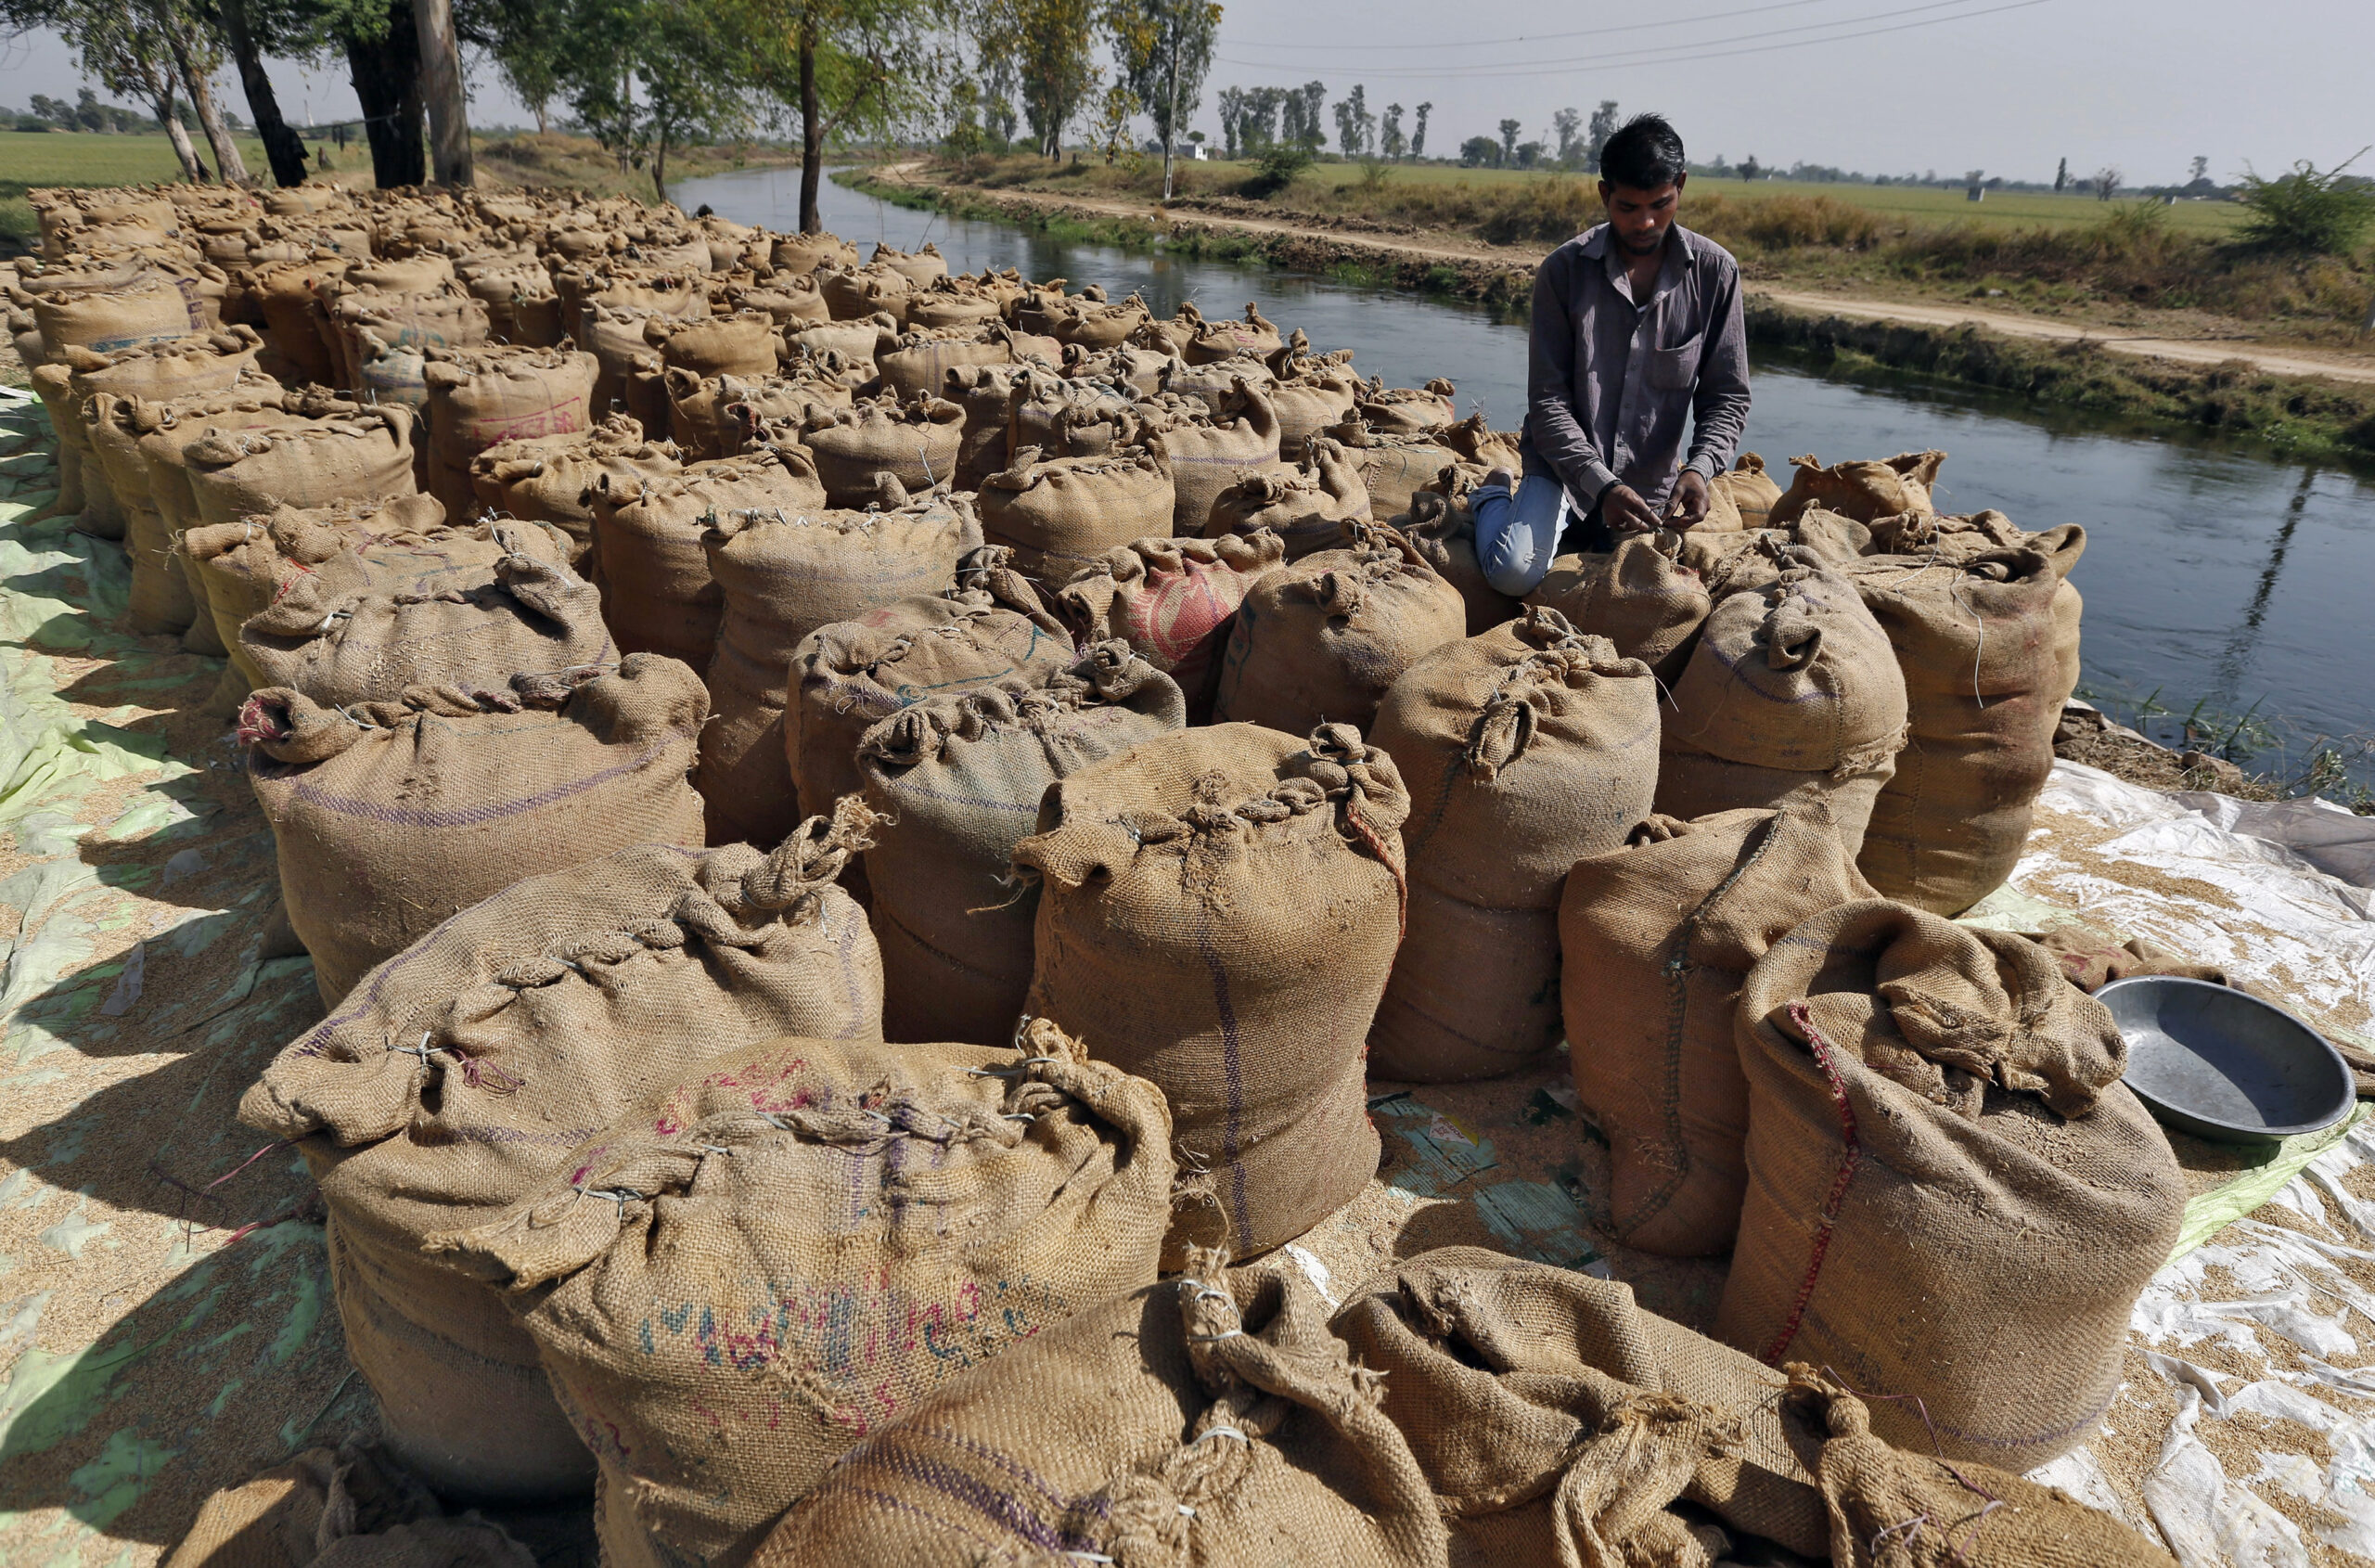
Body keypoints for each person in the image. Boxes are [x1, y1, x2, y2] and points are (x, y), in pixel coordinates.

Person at [1470, 112, 1751, 597]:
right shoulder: (1564, 272)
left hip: (1650, 484)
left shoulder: (1715, 273)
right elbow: (1548, 404)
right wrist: (1601, 485)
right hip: (1563, 470)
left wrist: (1699, 469)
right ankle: (1493, 495)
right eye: (1627, 207)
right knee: (1514, 573)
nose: (1644, 222)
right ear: (1604, 196)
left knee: (1663, 597)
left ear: (1680, 187)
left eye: (1660, 205)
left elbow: (1727, 396)